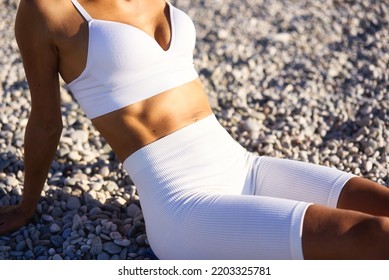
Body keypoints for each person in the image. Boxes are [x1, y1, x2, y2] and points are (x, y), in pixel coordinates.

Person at [0, 0, 388, 260]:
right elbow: (46, 123)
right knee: (372, 235)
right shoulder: (46, 10)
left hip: (244, 164)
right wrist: (27, 205)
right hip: (185, 204)